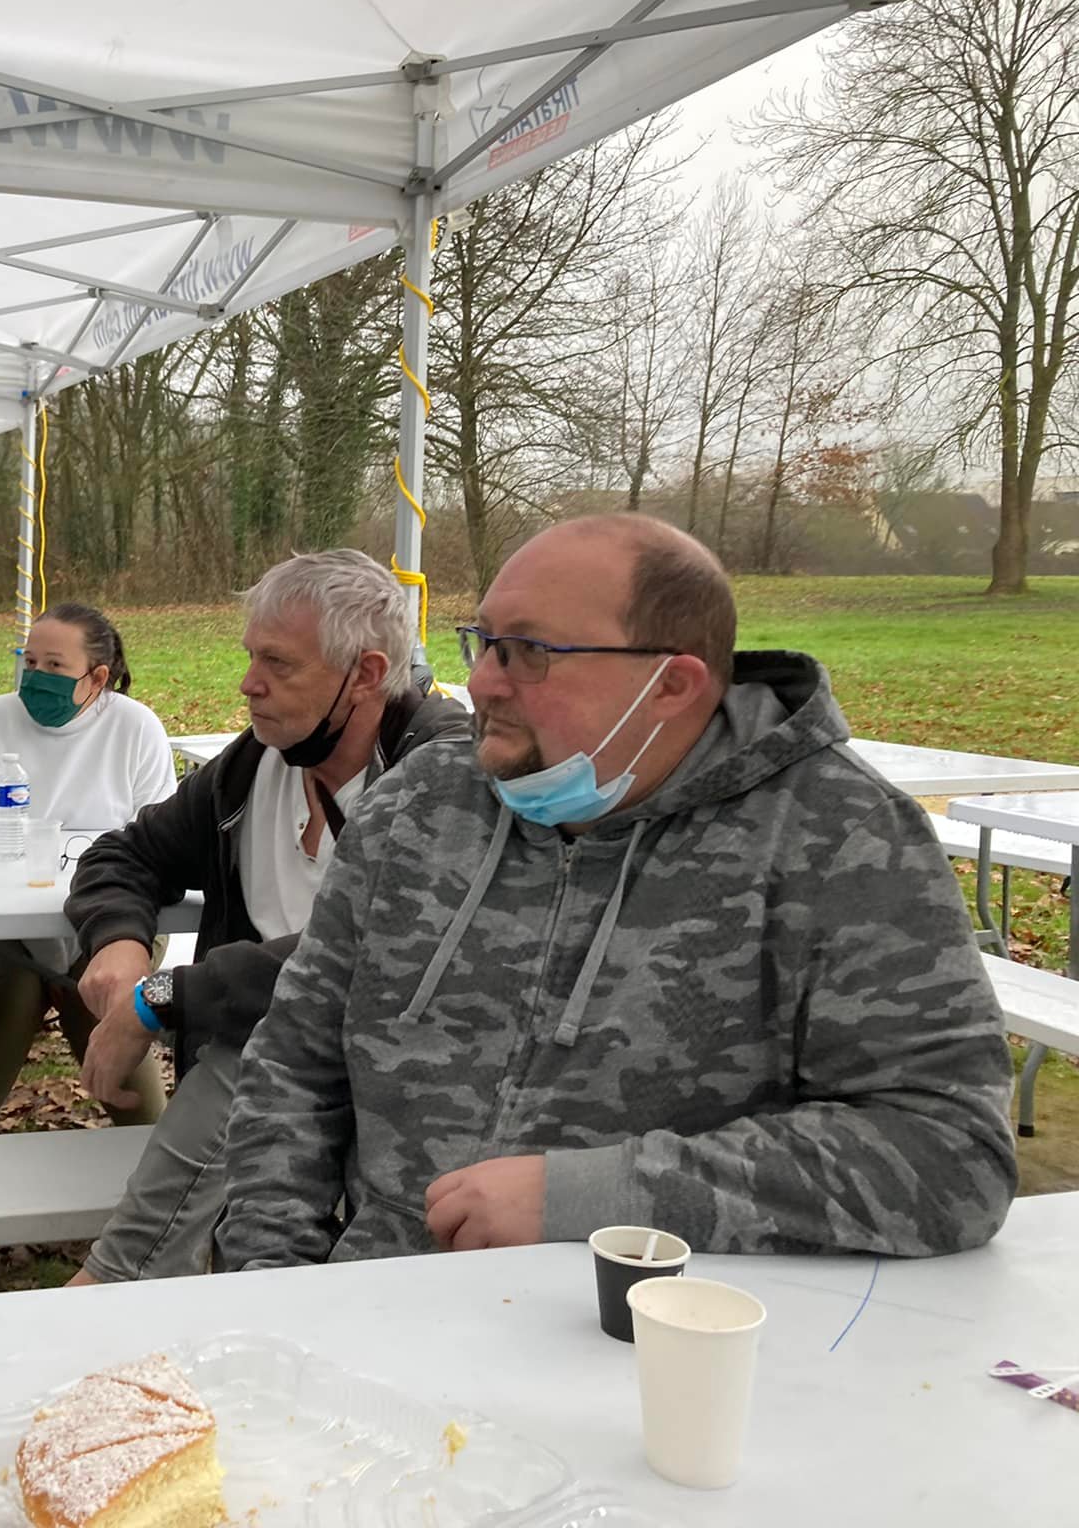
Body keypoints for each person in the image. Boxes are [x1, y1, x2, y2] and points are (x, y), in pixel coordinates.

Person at [218, 515, 1018, 1271]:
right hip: (376, 1309)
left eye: (527, 652)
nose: (481, 682)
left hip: (647, 1331)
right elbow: (294, 1061)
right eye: (483, 642)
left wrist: (594, 1199)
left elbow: (949, 1150)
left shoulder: (839, 839)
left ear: (671, 684)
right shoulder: (420, 802)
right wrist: (274, 1276)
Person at [62, 550, 470, 1283]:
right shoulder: (258, 763)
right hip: (261, 1099)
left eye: (278, 663)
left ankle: (113, 1282)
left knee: (256, 1046)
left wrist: (160, 998)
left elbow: (360, 952)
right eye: (251, 656)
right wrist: (119, 942)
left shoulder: (441, 776)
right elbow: (125, 853)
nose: (248, 683)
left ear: (367, 674)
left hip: (397, 1090)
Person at [0, 603, 179, 1136]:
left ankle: (149, 1143)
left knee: (99, 986)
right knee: (13, 991)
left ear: (97, 677)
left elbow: (158, 849)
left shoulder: (136, 728)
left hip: (117, 918)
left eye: (54, 666)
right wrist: (47, 952)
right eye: (30, 663)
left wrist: (80, 947)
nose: (37, 677)